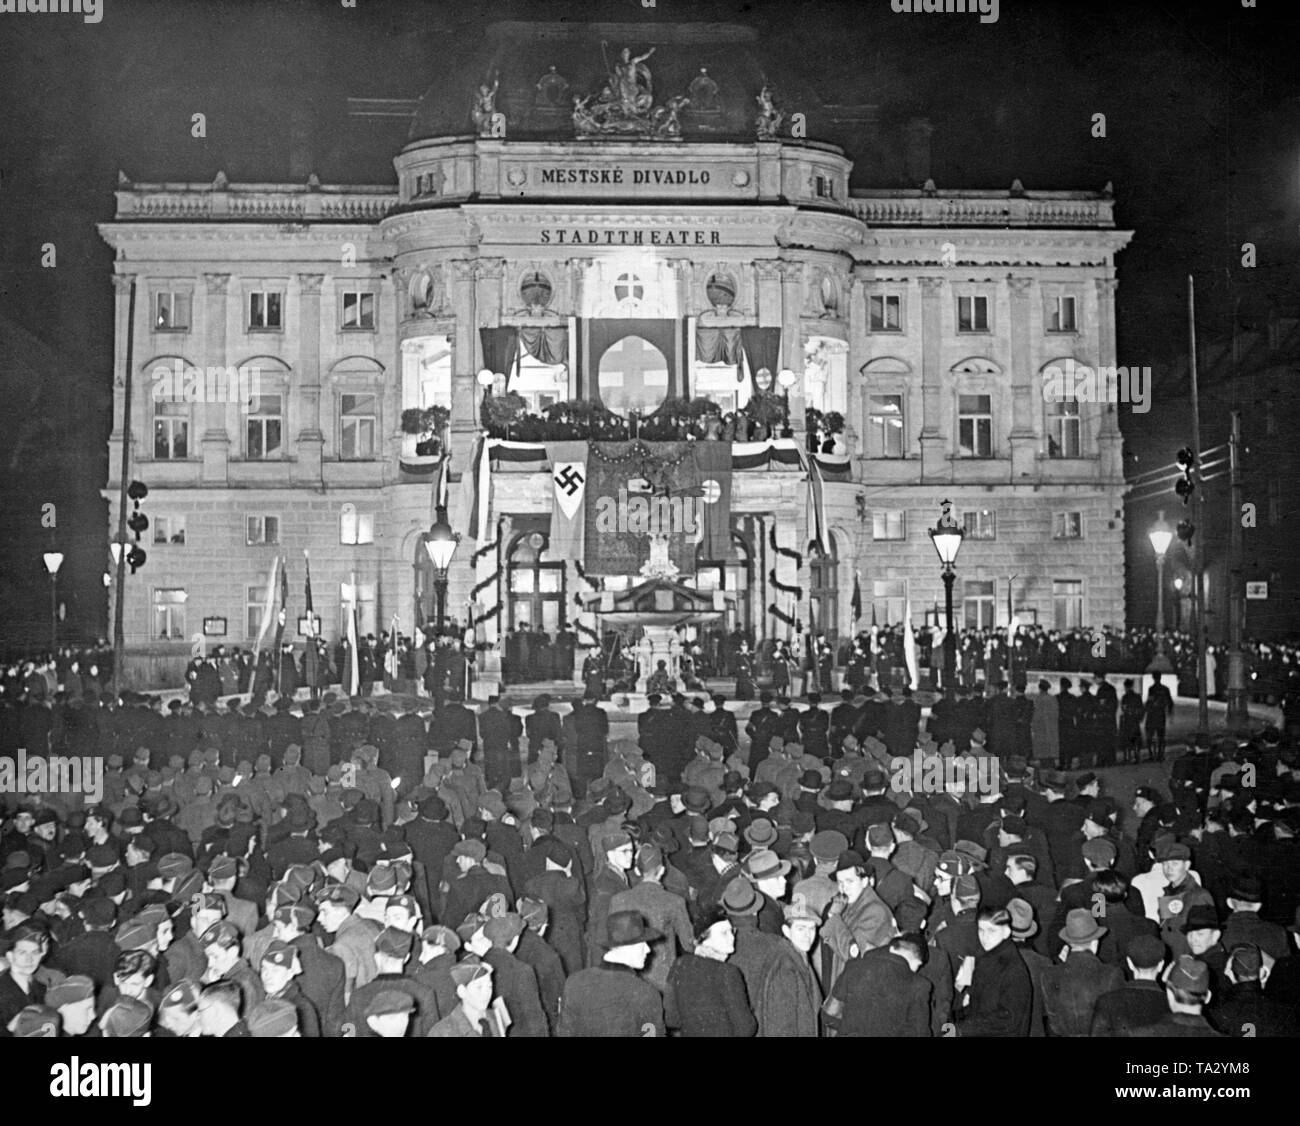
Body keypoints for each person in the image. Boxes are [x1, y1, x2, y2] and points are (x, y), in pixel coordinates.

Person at [557, 911, 666, 1037]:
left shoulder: (574, 982)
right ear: (630, 947)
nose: (648, 949)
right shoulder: (646, 993)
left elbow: (564, 1032)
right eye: (643, 944)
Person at [664, 908, 756, 1037]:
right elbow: (746, 1028)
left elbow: (671, 1018)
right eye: (724, 933)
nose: (732, 937)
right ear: (705, 939)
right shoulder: (727, 973)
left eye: (732, 931)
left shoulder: (679, 964)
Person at [825, 931, 931, 1037]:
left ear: (892, 949)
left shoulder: (854, 966)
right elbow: (920, 1032)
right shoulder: (919, 985)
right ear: (918, 962)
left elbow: (829, 1014)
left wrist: (847, 1029)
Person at [955, 906, 1032, 1037]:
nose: (984, 937)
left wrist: (961, 1028)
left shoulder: (1013, 969)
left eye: (991, 931)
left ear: (1006, 932)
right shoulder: (987, 955)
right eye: (981, 930)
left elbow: (1008, 1019)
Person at [1143, 674, 1174, 762]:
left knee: (1150, 735)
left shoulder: (1151, 689)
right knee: (1161, 736)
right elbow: (1170, 702)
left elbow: (1150, 701)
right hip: (1161, 714)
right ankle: (1160, 754)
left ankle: (1152, 754)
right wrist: (1169, 713)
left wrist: (1145, 710)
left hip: (1152, 715)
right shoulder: (1165, 689)